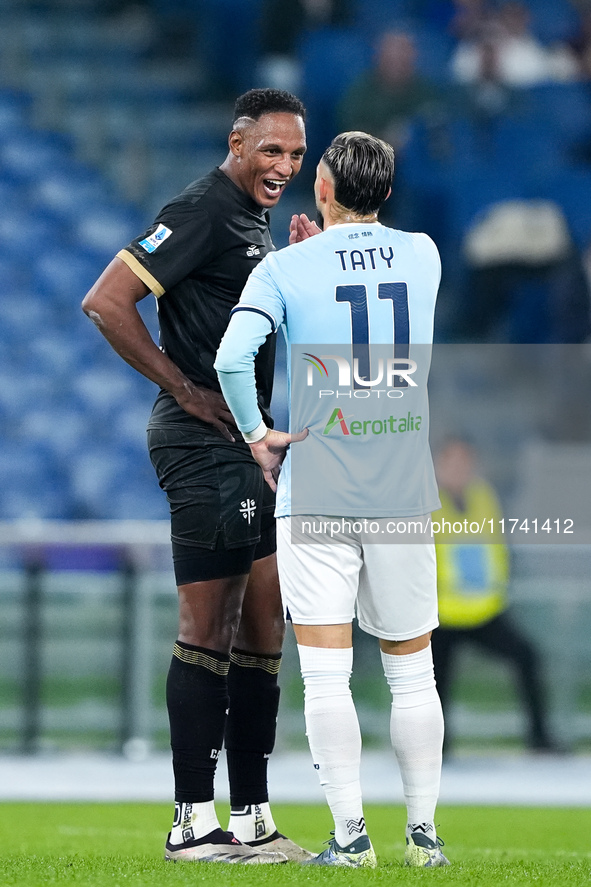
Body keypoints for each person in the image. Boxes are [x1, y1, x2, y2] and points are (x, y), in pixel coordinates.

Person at [82, 88, 314, 864]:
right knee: (207, 627)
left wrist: (299, 263)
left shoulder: (253, 222)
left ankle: (249, 817)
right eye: (271, 150)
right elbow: (106, 301)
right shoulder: (204, 208)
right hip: (200, 440)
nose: (283, 165)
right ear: (237, 141)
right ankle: (190, 821)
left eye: (294, 154)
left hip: (241, 444)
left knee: (262, 624)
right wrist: (182, 387)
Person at [215, 131, 449, 868]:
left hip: (318, 486)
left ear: (322, 187)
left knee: (325, 672)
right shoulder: (424, 254)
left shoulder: (286, 266)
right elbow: (367, 281)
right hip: (403, 486)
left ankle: (350, 837)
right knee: (412, 670)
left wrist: (256, 433)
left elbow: (230, 355)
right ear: (383, 191)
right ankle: (423, 837)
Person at [431, 437, 561, 756]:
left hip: (484, 608)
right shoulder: (424, 502)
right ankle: (433, 750)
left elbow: (496, 546)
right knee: (433, 687)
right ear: (438, 466)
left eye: (465, 463)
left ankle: (540, 739)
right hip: (439, 612)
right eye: (452, 463)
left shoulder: (483, 496)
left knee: (527, 657)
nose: (459, 471)